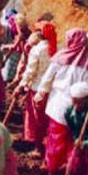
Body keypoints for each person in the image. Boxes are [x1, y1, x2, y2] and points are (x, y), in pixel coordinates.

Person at [35, 28, 88, 175]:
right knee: (71, 140)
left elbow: (47, 78)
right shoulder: (87, 65)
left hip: (58, 106)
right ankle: (71, 169)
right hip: (76, 109)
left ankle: (52, 167)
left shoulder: (60, 58)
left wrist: (41, 93)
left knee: (55, 138)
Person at [17, 22, 57, 153]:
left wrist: (21, 85)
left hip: (37, 90)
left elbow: (30, 72)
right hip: (53, 90)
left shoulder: (37, 50)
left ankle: (38, 147)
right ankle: (49, 147)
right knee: (49, 118)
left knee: (36, 120)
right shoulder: (58, 48)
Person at [1, 13, 31, 82]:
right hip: (20, 52)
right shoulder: (20, 28)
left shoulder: (23, 33)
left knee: (8, 75)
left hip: (19, 53)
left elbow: (14, 47)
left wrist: (5, 47)